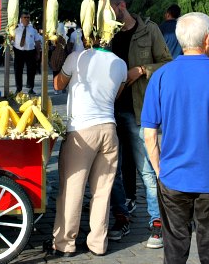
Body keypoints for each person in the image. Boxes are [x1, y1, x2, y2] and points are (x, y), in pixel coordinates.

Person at [142, 12, 209, 264]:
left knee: (174, 250)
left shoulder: (160, 76)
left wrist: (159, 169)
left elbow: (149, 134)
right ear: (208, 39)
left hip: (173, 176)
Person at [46, 36, 127, 257]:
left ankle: (65, 243)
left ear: (87, 37)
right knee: (102, 191)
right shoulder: (120, 64)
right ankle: (98, 243)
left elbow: (57, 85)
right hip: (109, 130)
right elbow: (115, 95)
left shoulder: (77, 57)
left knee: (72, 190)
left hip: (82, 131)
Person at [107, 0, 172, 248]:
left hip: (139, 112)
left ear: (121, 7)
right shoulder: (106, 33)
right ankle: (121, 217)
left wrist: (142, 70)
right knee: (112, 172)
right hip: (109, 113)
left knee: (147, 170)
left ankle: (157, 222)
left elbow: (167, 63)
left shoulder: (149, 30)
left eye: (111, 10)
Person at [12, 11, 41, 94]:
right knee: (18, 70)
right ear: (21, 18)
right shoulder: (15, 29)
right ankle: (18, 88)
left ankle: (30, 87)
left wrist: (38, 53)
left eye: (28, 17)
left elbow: (37, 41)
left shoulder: (33, 30)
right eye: (25, 17)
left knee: (31, 70)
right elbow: (10, 39)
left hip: (30, 52)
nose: (27, 19)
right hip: (18, 51)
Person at [49, 22, 68, 95]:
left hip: (57, 58)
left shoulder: (54, 37)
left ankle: (57, 88)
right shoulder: (61, 38)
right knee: (60, 73)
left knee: (56, 73)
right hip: (60, 57)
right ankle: (59, 88)